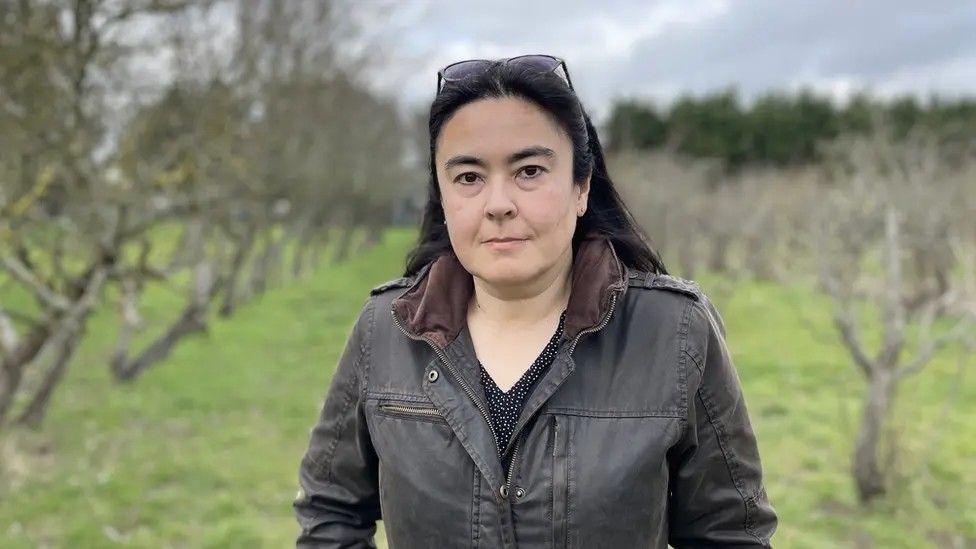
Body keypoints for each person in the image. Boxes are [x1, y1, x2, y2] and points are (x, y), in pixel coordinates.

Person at [293, 54, 778, 548]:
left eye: (528, 171)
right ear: (441, 196)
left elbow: (730, 533)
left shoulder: (674, 331)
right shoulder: (386, 331)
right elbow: (330, 512)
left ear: (581, 188)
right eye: (468, 177)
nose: (498, 203)